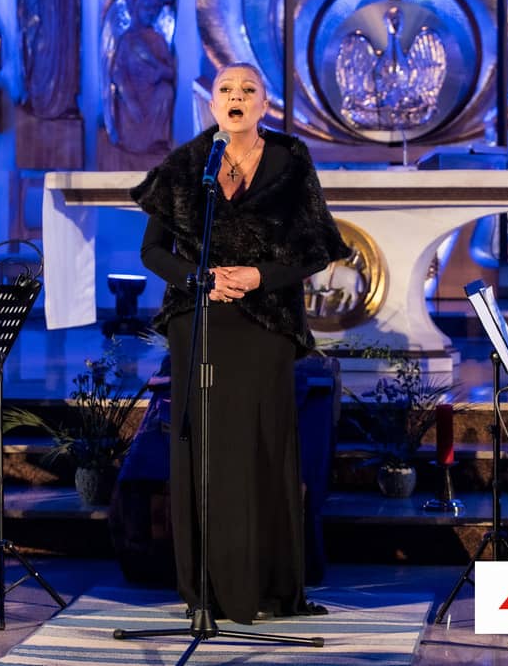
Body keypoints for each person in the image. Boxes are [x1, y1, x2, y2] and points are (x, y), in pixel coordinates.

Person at [130, 62, 351, 624]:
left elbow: (316, 249)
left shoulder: (290, 160)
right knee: (204, 449)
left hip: (265, 322)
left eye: (247, 90)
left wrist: (257, 276)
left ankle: (270, 587)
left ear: (264, 104)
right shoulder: (186, 165)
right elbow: (152, 251)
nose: (236, 97)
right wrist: (197, 279)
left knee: (261, 447)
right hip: (198, 319)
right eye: (226, 89)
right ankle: (206, 590)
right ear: (213, 105)